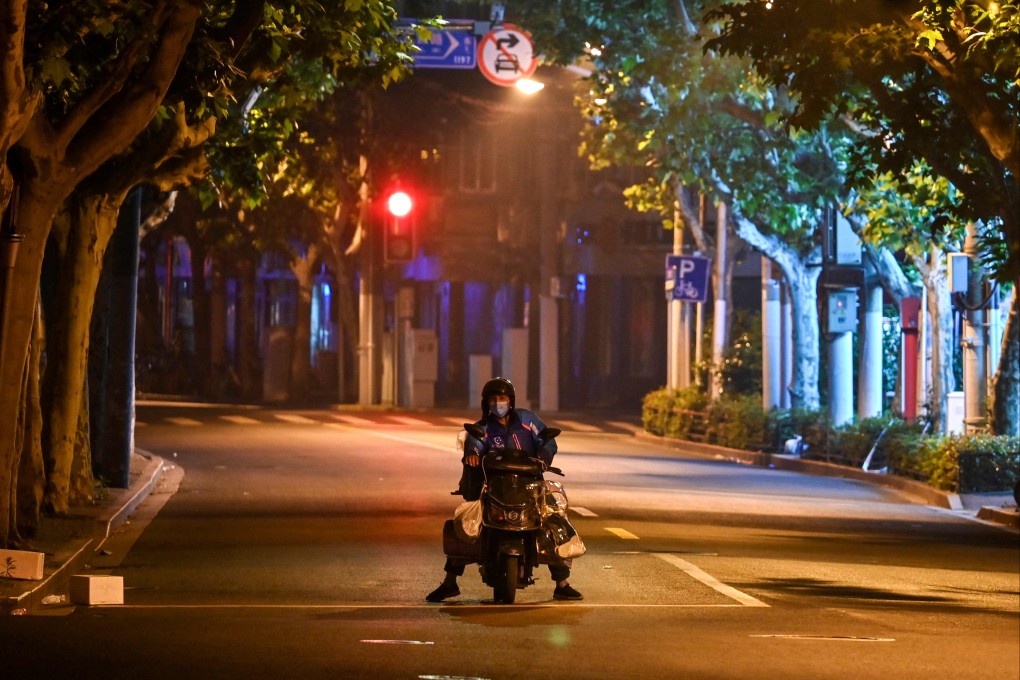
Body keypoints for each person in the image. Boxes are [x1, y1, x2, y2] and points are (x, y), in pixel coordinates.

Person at [426, 377, 583, 602]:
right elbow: (475, 441)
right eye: (493, 399)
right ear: (486, 403)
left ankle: (562, 583)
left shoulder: (528, 420)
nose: (498, 403)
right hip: (494, 487)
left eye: (502, 398)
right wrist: (472, 453)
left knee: (552, 524)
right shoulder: (484, 428)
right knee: (467, 525)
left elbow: (547, 440)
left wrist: (544, 456)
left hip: (529, 485)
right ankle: (450, 582)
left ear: (510, 401)